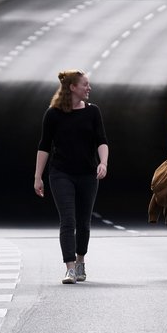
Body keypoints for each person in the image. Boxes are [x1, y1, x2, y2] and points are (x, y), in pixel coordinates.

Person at [34, 70, 109, 284]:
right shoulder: (53, 114)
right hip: (61, 173)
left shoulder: (93, 112)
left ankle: (80, 260)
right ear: (72, 88)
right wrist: (37, 177)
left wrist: (103, 163)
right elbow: (44, 146)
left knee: (83, 222)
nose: (89, 88)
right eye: (85, 84)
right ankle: (69, 268)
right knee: (68, 220)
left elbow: (101, 140)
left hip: (87, 173)